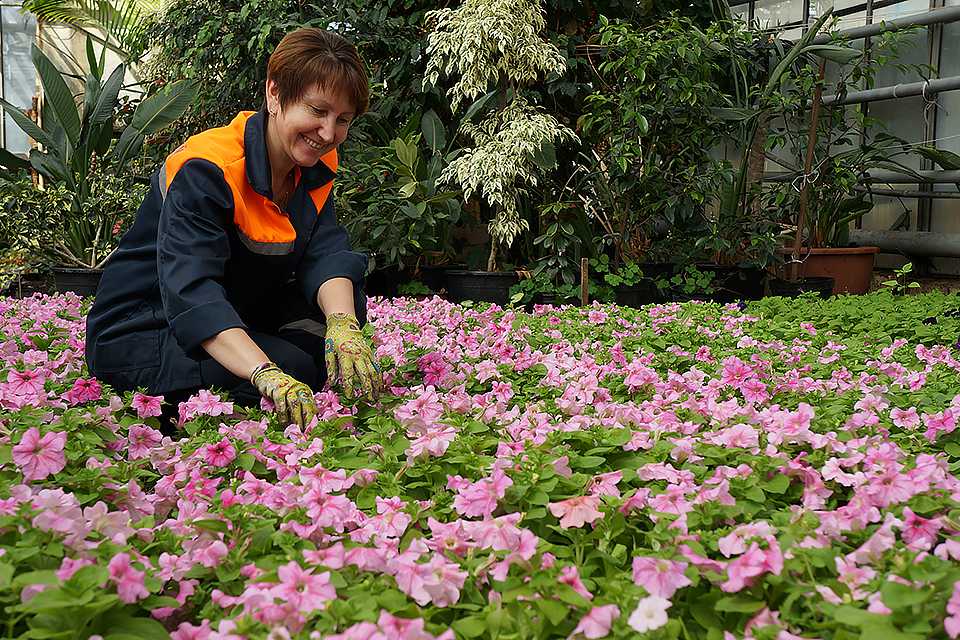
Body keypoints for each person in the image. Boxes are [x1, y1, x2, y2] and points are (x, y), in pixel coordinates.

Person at [85, 28, 383, 428]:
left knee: (336, 318)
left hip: (238, 307)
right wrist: (266, 373)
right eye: (317, 111)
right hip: (145, 326)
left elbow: (325, 253)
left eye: (342, 119)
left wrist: (344, 327)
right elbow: (192, 291)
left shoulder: (313, 165)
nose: (328, 134)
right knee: (294, 366)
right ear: (274, 94)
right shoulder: (206, 168)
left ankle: (269, 361)